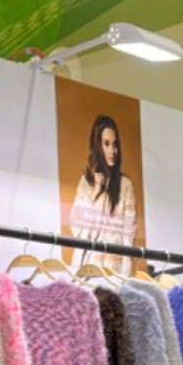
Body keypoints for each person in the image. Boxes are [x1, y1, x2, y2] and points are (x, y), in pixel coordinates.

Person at [69, 113, 139, 275]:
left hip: (112, 273)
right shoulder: (86, 182)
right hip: (86, 269)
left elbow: (129, 237)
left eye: (115, 145)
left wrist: (124, 278)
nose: (112, 151)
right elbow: (76, 228)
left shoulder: (125, 186)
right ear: (97, 146)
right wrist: (96, 191)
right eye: (106, 144)